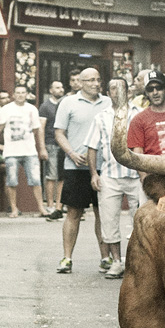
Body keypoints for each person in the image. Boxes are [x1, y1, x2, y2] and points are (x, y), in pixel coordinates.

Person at [53, 67, 112, 274]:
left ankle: (105, 258)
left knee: (103, 213)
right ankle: (67, 258)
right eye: (90, 80)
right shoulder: (68, 103)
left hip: (103, 166)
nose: (95, 84)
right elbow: (59, 133)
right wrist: (70, 153)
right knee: (74, 212)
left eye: (98, 80)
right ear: (80, 82)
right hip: (76, 166)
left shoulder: (108, 102)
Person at [86, 78, 141, 279]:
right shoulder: (101, 117)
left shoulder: (138, 114)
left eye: (121, 89)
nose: (117, 93)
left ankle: (137, 262)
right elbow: (91, 148)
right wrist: (94, 173)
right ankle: (116, 261)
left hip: (136, 175)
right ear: (107, 93)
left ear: (128, 91)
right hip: (109, 175)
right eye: (112, 89)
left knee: (140, 219)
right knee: (108, 220)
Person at [0, 85, 48, 217]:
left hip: (29, 150)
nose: (20, 95)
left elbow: (36, 128)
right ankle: (14, 208)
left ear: (27, 94)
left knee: (36, 180)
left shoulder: (32, 109)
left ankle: (41, 208)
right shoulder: (6, 109)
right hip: (11, 151)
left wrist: (40, 147)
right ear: (13, 94)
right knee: (12, 181)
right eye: (17, 93)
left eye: (23, 93)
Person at [127, 70, 165, 160]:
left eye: (159, 87)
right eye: (150, 89)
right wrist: (145, 175)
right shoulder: (138, 120)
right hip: (153, 172)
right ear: (146, 93)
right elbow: (137, 157)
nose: (155, 92)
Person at [38, 80, 65, 215]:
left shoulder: (65, 104)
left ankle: (59, 204)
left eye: (61, 87)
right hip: (51, 143)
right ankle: (49, 204)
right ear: (50, 90)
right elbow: (41, 128)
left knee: (62, 177)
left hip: (64, 145)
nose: (60, 89)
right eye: (57, 87)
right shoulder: (45, 106)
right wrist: (42, 147)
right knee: (51, 175)